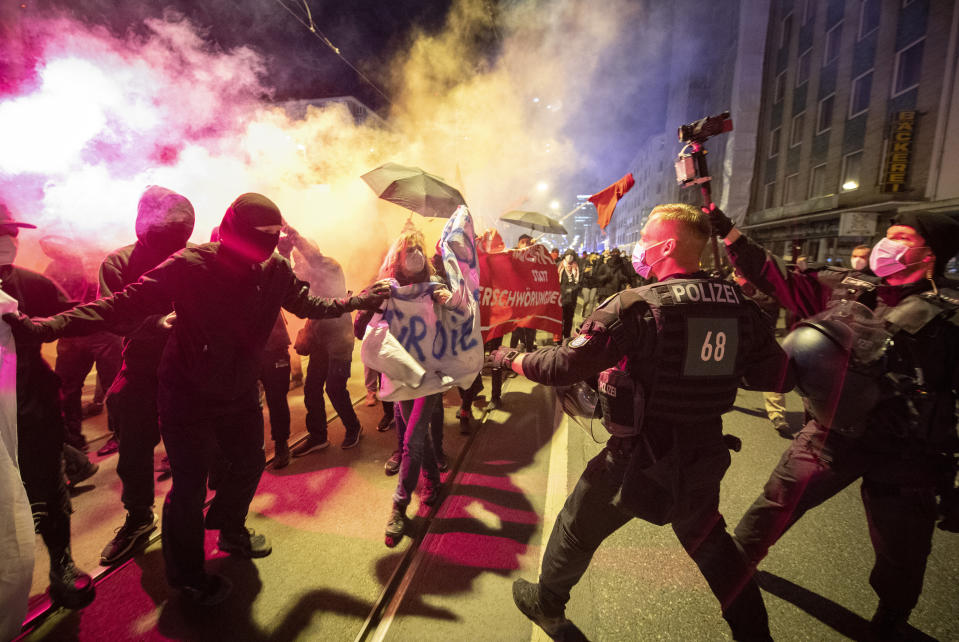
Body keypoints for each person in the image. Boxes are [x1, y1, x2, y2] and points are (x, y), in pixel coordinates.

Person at [6, 193, 389, 605]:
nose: (265, 247)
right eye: (261, 237)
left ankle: (229, 527)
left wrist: (356, 300)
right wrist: (48, 328)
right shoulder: (192, 265)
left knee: (248, 462)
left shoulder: (273, 268)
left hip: (238, 388)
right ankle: (187, 576)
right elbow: (118, 306)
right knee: (188, 486)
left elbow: (307, 302)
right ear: (234, 232)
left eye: (272, 237)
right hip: (187, 391)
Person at [498, 203, 793, 641]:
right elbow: (775, 375)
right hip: (702, 452)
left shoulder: (636, 306)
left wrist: (509, 358)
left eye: (648, 237)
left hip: (637, 456)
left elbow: (563, 365)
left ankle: (547, 603)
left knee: (577, 527)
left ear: (668, 245)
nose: (641, 246)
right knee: (713, 545)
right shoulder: (741, 307)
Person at [706, 204, 959, 638]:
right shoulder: (850, 288)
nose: (888, 244)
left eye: (902, 238)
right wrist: (731, 236)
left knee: (903, 548)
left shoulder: (950, 314)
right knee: (774, 504)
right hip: (831, 433)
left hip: (908, 451)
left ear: (929, 253)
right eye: (890, 234)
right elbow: (782, 278)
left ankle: (891, 617)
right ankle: (734, 570)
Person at [0, 202, 96, 609]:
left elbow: (79, 315)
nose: (8, 242)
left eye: (10, 233)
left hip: (35, 412)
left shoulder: (31, 284)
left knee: (50, 492)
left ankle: (63, 564)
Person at [93, 186, 195, 567]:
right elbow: (113, 316)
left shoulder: (194, 254)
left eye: (182, 225)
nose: (176, 232)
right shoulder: (118, 262)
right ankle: (138, 517)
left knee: (190, 447)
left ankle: (187, 515)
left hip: (189, 366)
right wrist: (157, 323)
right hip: (142, 365)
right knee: (134, 449)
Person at [41, 235, 123, 456]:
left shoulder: (98, 259)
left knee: (113, 386)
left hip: (104, 332)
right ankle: (74, 439)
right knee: (67, 387)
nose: (47, 247)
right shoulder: (54, 268)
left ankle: (119, 436)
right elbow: (49, 300)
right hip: (72, 335)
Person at [286, 229, 365, 456]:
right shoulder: (303, 275)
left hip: (340, 337)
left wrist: (293, 236)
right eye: (294, 260)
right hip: (320, 337)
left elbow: (314, 260)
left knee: (334, 388)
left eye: (300, 258)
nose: (297, 263)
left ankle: (354, 426)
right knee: (311, 389)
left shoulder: (329, 265)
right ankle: (318, 436)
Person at [730, 269, 792, 439]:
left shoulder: (765, 280)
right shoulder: (729, 281)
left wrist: (747, 288)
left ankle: (777, 414)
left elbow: (772, 302)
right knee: (728, 371)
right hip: (735, 334)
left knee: (773, 373)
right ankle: (724, 399)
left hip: (761, 338)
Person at [558, 250, 580, 339]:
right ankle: (558, 338)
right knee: (560, 319)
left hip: (572, 299)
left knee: (569, 319)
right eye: (568, 254)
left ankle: (566, 337)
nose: (570, 256)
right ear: (564, 256)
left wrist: (572, 289)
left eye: (571, 255)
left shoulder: (577, 267)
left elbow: (579, 282)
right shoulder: (559, 266)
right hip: (560, 298)